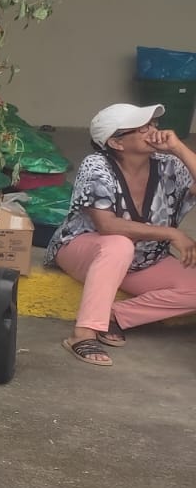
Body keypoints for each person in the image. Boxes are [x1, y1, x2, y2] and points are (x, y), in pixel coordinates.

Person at [46, 103, 196, 366]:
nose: (153, 131)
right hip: (85, 250)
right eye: (142, 128)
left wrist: (178, 148)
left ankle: (114, 315)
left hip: (142, 259)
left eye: (153, 124)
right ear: (116, 142)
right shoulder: (96, 165)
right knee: (118, 245)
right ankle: (83, 334)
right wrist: (170, 233)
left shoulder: (168, 164)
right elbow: (107, 225)